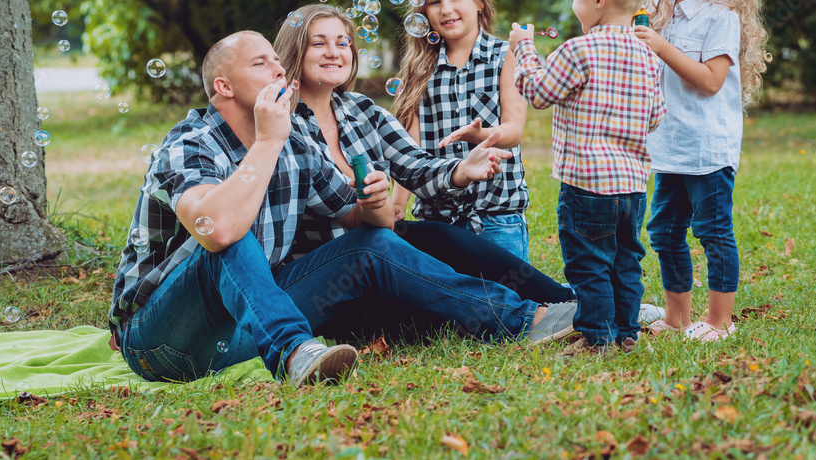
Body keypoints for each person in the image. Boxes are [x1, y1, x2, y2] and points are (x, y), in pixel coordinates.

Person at [108, 31, 578, 388]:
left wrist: (373, 200)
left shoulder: (296, 140)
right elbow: (218, 229)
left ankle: (522, 319)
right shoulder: (190, 142)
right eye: (260, 63)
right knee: (228, 241)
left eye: (277, 60)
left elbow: (358, 219)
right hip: (163, 340)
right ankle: (296, 354)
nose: (278, 69)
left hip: (247, 326)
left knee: (370, 244)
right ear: (224, 87)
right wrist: (267, 141)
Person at [273, 4, 576, 320]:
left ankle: (571, 302)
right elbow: (354, 216)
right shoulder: (284, 125)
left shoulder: (360, 110)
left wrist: (462, 169)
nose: (334, 52)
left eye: (342, 42)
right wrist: (379, 204)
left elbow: (415, 165)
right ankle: (527, 317)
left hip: (378, 241)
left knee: (439, 236)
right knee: (397, 260)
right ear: (295, 51)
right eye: (318, 43)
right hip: (330, 277)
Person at [510, 0, 666, 354]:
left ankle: (597, 338)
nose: (573, 4)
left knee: (588, 263)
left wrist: (523, 48)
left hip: (586, 186)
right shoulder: (649, 55)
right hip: (632, 187)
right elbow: (656, 116)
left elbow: (538, 92)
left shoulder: (578, 51)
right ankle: (626, 334)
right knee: (625, 261)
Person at [634, 0, 771, 342]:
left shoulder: (720, 14)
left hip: (708, 146)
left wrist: (660, 46)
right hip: (670, 143)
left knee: (712, 231)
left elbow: (711, 81)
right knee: (664, 230)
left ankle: (719, 321)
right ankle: (677, 317)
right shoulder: (660, 8)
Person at [391, 0, 531, 261]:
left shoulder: (504, 56)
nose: (446, 9)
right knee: (446, 293)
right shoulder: (419, 68)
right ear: (423, 12)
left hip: (496, 217)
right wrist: (398, 202)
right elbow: (409, 148)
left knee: (507, 293)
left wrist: (479, 135)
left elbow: (513, 130)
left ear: (479, 0)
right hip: (437, 221)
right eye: (435, 2)